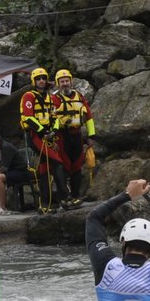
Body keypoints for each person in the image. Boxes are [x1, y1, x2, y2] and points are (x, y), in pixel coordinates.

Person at [19, 66, 65, 211]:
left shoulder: (50, 98)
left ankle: (45, 204)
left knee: (46, 168)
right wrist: (43, 131)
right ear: (34, 81)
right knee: (57, 162)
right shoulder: (29, 96)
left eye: (43, 78)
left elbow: (55, 118)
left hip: (48, 136)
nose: (41, 81)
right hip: (35, 135)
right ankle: (66, 197)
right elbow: (28, 117)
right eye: (38, 79)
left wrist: (54, 131)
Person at [50, 69, 96, 204]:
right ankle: (64, 198)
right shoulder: (54, 99)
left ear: (71, 81)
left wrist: (91, 135)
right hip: (62, 136)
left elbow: (88, 117)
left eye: (67, 81)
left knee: (77, 166)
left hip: (77, 136)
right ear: (58, 84)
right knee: (64, 166)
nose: (65, 84)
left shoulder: (79, 96)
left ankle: (76, 196)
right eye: (62, 81)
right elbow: (52, 119)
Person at [0, 129, 32, 214]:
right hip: (11, 172)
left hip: (21, 172)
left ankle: (2, 207)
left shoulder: (6, 147)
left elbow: (4, 168)